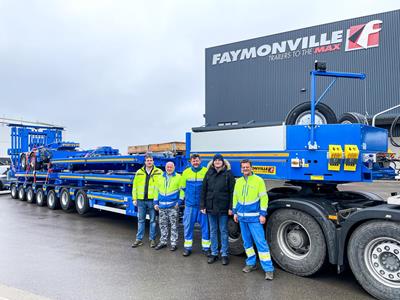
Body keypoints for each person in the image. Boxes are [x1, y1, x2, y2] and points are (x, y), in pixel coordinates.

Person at [232, 159, 274, 280]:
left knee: (261, 242)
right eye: (243, 167)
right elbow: (235, 197)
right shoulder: (238, 181)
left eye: (247, 167)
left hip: (255, 217)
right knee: (247, 243)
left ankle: (268, 269)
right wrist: (235, 212)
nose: (245, 169)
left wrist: (262, 214)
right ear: (241, 169)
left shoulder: (258, 180)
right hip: (242, 217)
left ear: (251, 168)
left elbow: (264, 198)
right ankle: (251, 263)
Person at [200, 154, 235, 265]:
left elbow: (232, 193)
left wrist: (231, 207)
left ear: (223, 162)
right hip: (210, 207)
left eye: (220, 160)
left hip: (223, 208)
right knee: (213, 231)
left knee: (223, 231)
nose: (218, 162)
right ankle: (214, 253)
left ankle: (224, 254)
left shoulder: (228, 174)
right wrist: (203, 206)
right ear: (213, 162)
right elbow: (203, 190)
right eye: (216, 160)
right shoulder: (208, 173)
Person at [180, 153, 210, 256]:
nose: (195, 162)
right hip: (190, 205)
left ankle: (206, 248)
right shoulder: (186, 172)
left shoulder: (206, 171)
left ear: (200, 161)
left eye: (197, 160)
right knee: (188, 227)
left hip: (202, 206)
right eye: (193, 161)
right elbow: (182, 187)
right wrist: (187, 197)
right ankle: (187, 248)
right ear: (191, 162)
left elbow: (209, 188)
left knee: (205, 227)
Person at [131, 153, 163, 248]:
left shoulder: (159, 172)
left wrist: (159, 200)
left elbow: (162, 187)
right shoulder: (139, 172)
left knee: (153, 221)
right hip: (141, 200)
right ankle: (139, 239)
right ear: (145, 162)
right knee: (141, 220)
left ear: (153, 161)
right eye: (147, 160)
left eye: (151, 160)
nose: (149, 162)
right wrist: (134, 198)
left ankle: (152, 239)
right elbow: (135, 186)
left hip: (153, 200)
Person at [153, 161, 181, 251]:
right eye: (167, 167)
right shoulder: (160, 177)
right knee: (162, 225)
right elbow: (156, 190)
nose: (169, 168)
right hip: (161, 206)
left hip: (173, 206)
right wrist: (155, 203)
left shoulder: (178, 177)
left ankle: (173, 243)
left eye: (171, 167)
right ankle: (163, 242)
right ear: (165, 168)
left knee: (174, 225)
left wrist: (179, 201)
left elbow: (182, 191)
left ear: (174, 167)